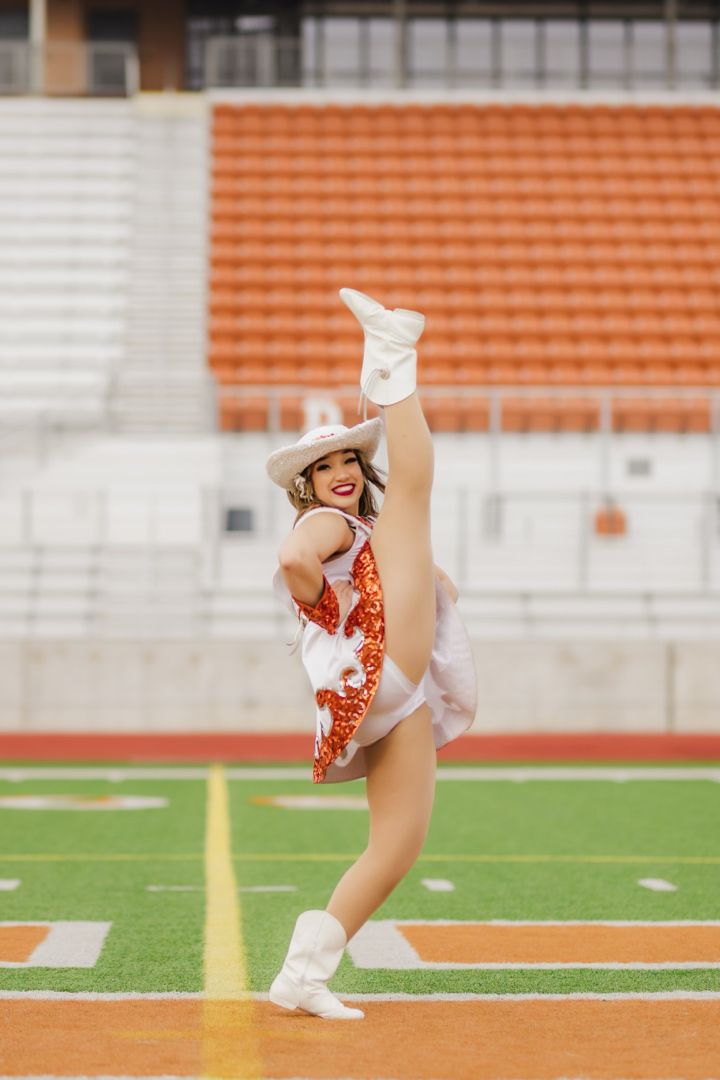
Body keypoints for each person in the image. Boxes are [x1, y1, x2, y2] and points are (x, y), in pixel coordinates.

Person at [265, 287, 477, 1020]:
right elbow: (297, 554)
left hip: (385, 696)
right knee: (416, 491)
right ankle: (391, 356)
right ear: (310, 485)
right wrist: (311, 584)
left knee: (397, 845)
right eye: (326, 467)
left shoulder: (365, 535)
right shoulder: (327, 523)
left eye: (351, 460)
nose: (342, 472)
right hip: (376, 667)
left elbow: (412, 573)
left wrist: (391, 581)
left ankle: (303, 975)